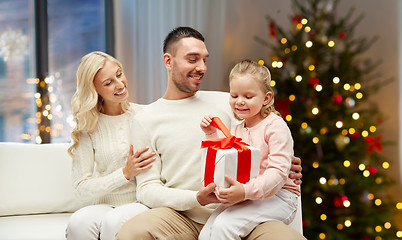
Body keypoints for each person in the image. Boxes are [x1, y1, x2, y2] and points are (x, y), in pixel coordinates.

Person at [116, 27, 305, 240]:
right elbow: (147, 189)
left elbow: (260, 141)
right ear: (168, 61)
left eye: (205, 60)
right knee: (132, 233)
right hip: (183, 217)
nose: (202, 67)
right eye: (193, 59)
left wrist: (288, 163)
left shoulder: (231, 101)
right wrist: (197, 198)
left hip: (245, 207)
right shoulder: (145, 119)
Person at [198, 60, 300, 239]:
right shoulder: (238, 129)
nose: (239, 102)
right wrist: (212, 134)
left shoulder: (275, 126)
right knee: (206, 233)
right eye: (234, 96)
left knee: (224, 227)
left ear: (266, 98)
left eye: (248, 96)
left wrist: (244, 192)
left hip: (280, 197)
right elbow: (223, 157)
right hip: (249, 194)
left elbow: (278, 172)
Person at [65, 51, 156, 240]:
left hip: (140, 202)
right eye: (108, 83)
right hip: (104, 204)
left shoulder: (146, 115)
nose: (120, 84)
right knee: (78, 222)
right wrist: (124, 173)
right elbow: (81, 187)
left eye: (119, 73)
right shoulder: (87, 126)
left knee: (113, 221)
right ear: (94, 90)